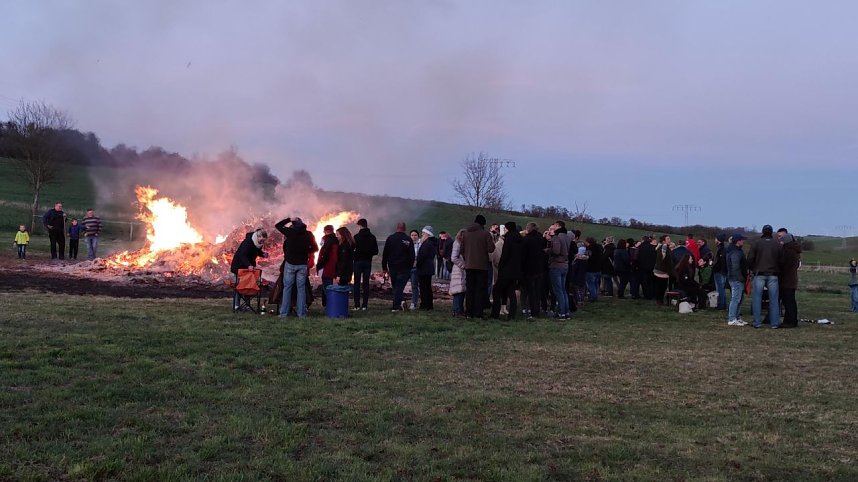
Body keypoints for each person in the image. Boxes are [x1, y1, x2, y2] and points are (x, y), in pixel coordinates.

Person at [275, 217, 318, 318]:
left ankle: (284, 313)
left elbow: (278, 226)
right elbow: (315, 248)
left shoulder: (290, 232)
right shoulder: (308, 234)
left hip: (290, 264)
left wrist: (289, 219)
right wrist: (306, 250)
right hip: (302, 264)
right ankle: (301, 314)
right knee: (301, 289)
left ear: (293, 225)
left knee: (287, 288)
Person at [748, 224, 783, 329]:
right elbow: (782, 260)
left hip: (759, 274)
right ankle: (775, 323)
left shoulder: (756, 243)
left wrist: (752, 269)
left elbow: (750, 259)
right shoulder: (777, 244)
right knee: (774, 300)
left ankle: (757, 322)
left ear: (763, 232)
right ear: (771, 232)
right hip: (773, 274)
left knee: (757, 298)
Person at [461, 214, 495, 319]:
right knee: (480, 290)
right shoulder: (485, 234)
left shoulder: (466, 233)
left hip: (469, 266)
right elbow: (491, 249)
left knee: (470, 289)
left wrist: (468, 258)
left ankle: (468, 312)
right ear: (483, 224)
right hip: (482, 266)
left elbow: (462, 250)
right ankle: (478, 313)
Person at [230, 228, 268, 309]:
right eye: (262, 240)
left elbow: (256, 251)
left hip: (249, 266)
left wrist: (262, 254)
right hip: (239, 266)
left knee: (248, 286)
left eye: (264, 241)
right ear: (258, 236)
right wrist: (248, 265)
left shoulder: (258, 243)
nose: (263, 242)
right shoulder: (248, 242)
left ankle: (247, 305)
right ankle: (237, 306)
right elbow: (242, 255)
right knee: (240, 286)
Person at [492, 221, 523, 319]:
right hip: (516, 271)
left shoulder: (508, 239)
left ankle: (495, 313)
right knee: (511, 293)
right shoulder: (520, 239)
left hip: (506, 270)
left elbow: (505, 254)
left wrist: (501, 266)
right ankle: (512, 315)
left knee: (496, 291)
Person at [382, 222, 415, 312]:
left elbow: (385, 254)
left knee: (396, 287)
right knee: (399, 287)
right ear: (405, 228)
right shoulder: (408, 240)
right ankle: (397, 306)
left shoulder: (390, 238)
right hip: (404, 268)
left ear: (397, 228)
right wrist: (410, 267)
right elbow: (412, 255)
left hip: (393, 267)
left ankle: (398, 304)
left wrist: (384, 267)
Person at [777, 228, 801, 328]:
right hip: (791, 279)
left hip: (787, 280)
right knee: (790, 301)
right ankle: (791, 320)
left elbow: (784, 265)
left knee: (788, 302)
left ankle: (790, 321)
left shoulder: (788, 251)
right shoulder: (795, 251)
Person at [545, 222, 569, 319]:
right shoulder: (567, 237)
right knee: (563, 290)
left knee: (558, 291)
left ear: (558, 227)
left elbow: (556, 251)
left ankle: (561, 313)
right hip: (565, 265)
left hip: (557, 265)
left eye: (554, 226)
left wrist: (548, 249)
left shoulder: (557, 237)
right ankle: (566, 312)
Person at [352, 218, 378, 311]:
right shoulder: (372, 237)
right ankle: (364, 305)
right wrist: (368, 253)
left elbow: (352, 250)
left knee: (357, 283)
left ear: (360, 226)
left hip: (358, 262)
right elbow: (376, 251)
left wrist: (357, 253)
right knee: (366, 284)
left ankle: (356, 305)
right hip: (367, 262)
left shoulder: (356, 237)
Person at [521, 222, 544, 318]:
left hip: (529, 269)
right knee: (537, 291)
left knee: (530, 291)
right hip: (539, 268)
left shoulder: (526, 240)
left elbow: (523, 255)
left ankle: (531, 310)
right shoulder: (541, 239)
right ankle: (537, 310)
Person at [726, 233, 749, 326]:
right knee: (736, 299)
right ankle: (732, 318)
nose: (743, 241)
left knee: (740, 299)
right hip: (736, 279)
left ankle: (737, 317)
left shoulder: (735, 250)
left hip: (736, 278)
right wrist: (741, 278)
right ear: (738, 241)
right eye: (742, 240)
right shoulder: (736, 252)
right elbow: (735, 267)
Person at [316, 225, 339, 307]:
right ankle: (326, 303)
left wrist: (319, 265)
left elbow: (325, 255)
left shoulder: (328, 240)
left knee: (327, 287)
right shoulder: (336, 240)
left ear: (326, 231)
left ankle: (330, 305)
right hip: (333, 267)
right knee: (328, 285)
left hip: (326, 267)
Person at [416, 226, 438, 310]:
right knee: (428, 287)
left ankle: (425, 304)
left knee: (423, 287)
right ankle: (429, 304)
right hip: (429, 267)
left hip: (424, 268)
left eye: (423, 233)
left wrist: (417, 263)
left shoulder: (427, 243)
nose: (421, 234)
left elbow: (422, 256)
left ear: (427, 234)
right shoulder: (432, 243)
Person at [449, 229, 467, 316]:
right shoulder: (457, 243)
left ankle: (460, 309)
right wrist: (463, 265)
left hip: (462, 270)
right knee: (457, 291)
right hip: (459, 270)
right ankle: (456, 310)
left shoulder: (463, 244)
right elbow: (454, 258)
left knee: (462, 290)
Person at [653, 235, 674, 305]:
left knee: (662, 286)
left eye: (669, 238)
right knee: (661, 286)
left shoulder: (665, 247)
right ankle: (659, 300)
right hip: (661, 270)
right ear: (664, 241)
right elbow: (663, 257)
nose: (669, 240)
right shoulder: (664, 247)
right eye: (668, 239)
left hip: (662, 270)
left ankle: (659, 299)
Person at [712, 233, 728, 310]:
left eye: (715, 239)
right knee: (721, 288)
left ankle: (721, 305)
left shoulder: (721, 250)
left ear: (719, 241)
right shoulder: (721, 249)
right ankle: (723, 304)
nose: (714, 240)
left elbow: (721, 262)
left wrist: (714, 266)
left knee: (720, 289)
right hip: (721, 271)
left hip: (719, 272)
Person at [584, 237, 602, 302]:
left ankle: (593, 297)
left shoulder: (589, 248)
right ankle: (596, 296)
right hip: (598, 269)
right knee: (596, 284)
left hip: (590, 269)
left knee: (591, 284)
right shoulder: (599, 247)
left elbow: (588, 257)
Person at [407, 229, 421, 310]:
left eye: (415, 235)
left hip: (415, 268)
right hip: (407, 267)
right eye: (412, 235)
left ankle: (414, 303)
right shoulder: (408, 244)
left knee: (414, 285)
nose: (414, 237)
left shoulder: (420, 244)